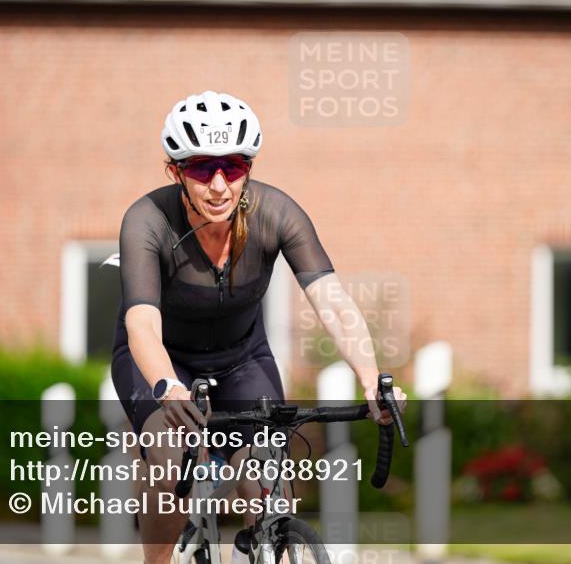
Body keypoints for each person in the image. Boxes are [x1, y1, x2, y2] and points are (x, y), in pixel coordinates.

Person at [110, 90, 406, 564]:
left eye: (234, 166)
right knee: (170, 464)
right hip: (162, 362)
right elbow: (142, 322)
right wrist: (168, 387)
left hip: (243, 359)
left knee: (268, 477)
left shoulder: (276, 213)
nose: (220, 185)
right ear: (175, 172)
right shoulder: (146, 221)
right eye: (202, 168)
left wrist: (371, 377)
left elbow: (330, 298)